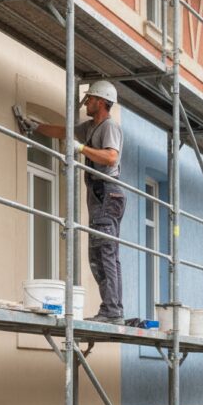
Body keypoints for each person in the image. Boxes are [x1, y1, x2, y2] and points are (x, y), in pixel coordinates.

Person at [15, 81, 126, 324]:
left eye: (90, 99)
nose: (86, 102)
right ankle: (111, 309)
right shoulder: (90, 127)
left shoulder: (109, 127)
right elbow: (63, 130)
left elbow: (110, 157)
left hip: (108, 193)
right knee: (97, 255)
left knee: (106, 253)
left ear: (102, 101)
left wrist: (82, 149)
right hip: (100, 196)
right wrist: (36, 126)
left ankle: (113, 311)